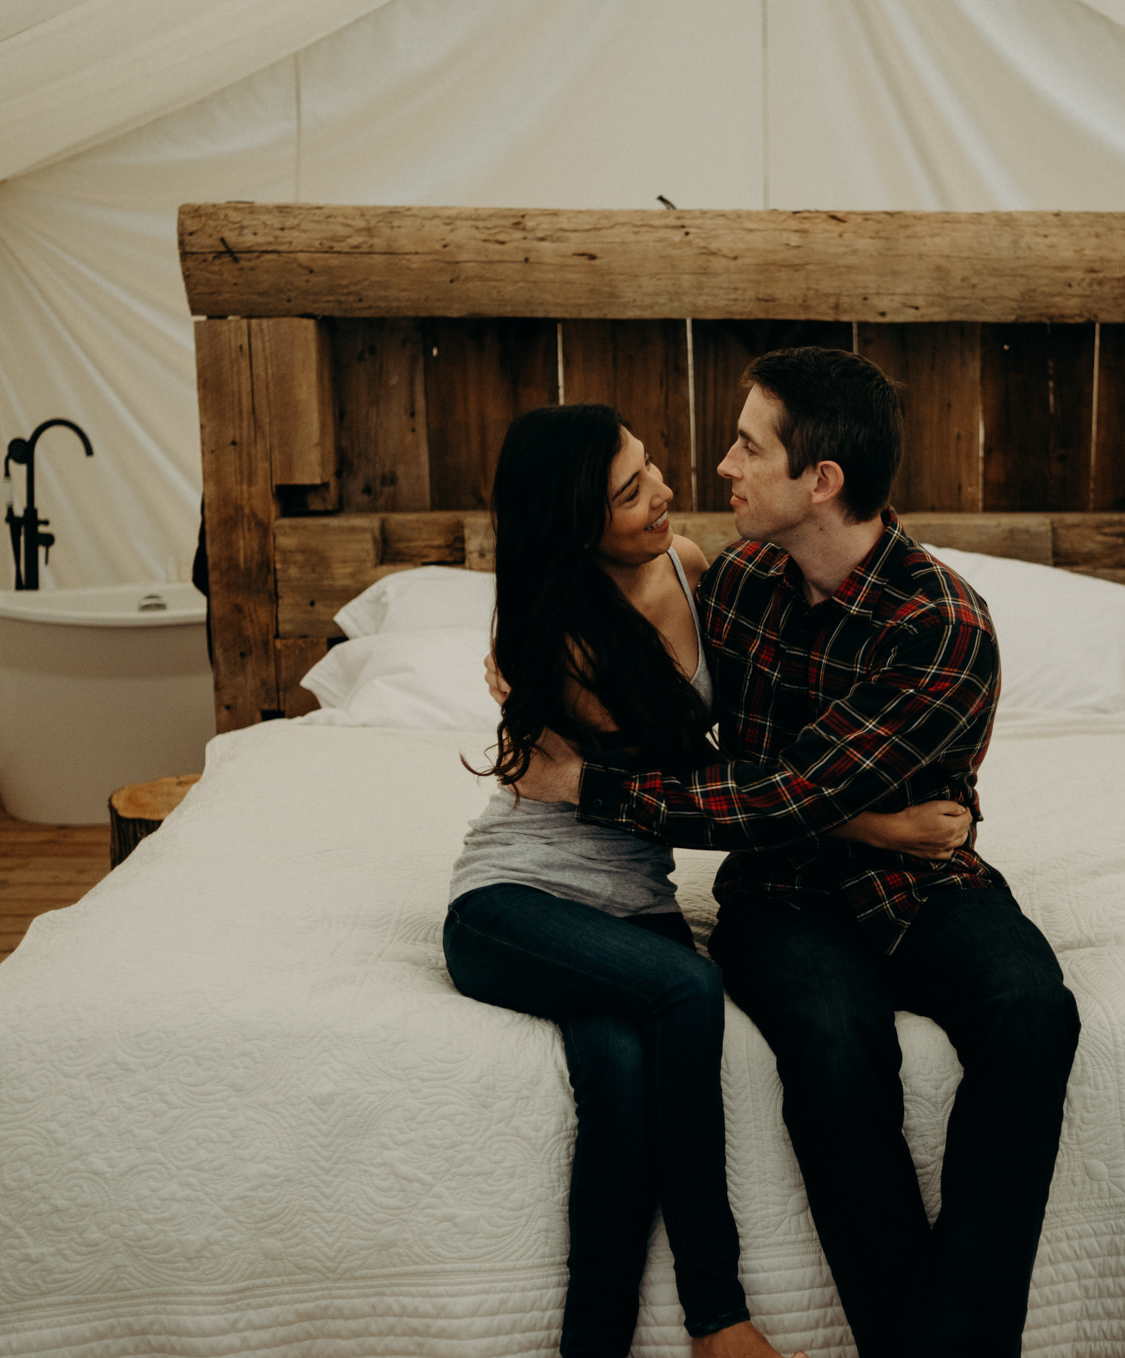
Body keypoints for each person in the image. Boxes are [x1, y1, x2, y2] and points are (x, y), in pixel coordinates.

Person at [512, 351, 1082, 1358]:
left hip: (926, 881)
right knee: (829, 1036)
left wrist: (597, 791)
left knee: (1036, 1007)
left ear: (821, 480)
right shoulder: (734, 583)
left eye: (749, 444)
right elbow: (721, 752)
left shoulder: (940, 623)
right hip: (783, 892)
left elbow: (784, 788)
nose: (721, 463)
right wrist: (524, 662)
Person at [443, 402, 968, 1358]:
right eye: (630, 491)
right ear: (572, 519)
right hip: (516, 904)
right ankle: (717, 1318)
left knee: (619, 1085)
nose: (665, 493)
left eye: (651, 469)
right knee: (690, 990)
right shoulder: (555, 637)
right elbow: (699, 785)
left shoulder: (690, 567)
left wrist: (863, 794)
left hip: (637, 908)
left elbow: (753, 761)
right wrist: (880, 821)